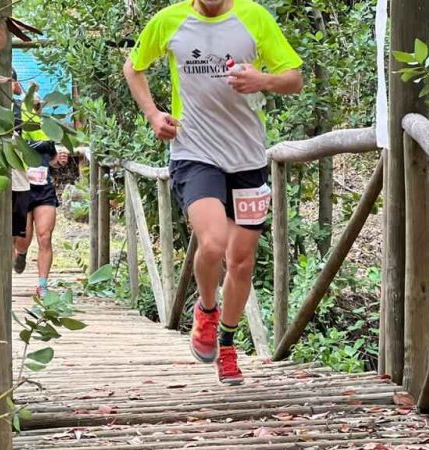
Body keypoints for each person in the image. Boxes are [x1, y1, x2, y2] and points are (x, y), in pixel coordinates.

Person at [123, 0, 303, 385]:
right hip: (194, 153)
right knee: (213, 243)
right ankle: (206, 310)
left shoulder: (253, 17)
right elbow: (133, 68)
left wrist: (264, 80)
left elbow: (295, 78)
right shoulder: (169, 21)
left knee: (241, 261)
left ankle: (227, 343)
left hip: (248, 159)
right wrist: (154, 115)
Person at [11, 89, 70, 298]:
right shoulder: (14, 126)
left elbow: (52, 159)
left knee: (45, 237)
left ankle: (42, 285)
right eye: (33, 107)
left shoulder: (47, 129)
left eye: (38, 107)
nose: (36, 111)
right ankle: (21, 253)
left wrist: (59, 160)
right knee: (22, 238)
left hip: (43, 188)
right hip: (21, 188)